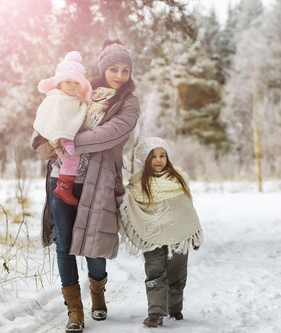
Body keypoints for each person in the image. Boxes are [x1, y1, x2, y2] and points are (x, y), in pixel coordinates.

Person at [32, 39, 140, 333]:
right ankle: (75, 311)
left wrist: (66, 141)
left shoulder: (128, 103)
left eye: (125, 70)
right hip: (60, 178)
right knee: (64, 246)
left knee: (94, 246)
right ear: (103, 69)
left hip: (98, 180)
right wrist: (43, 141)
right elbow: (50, 115)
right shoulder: (81, 90)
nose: (119, 75)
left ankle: (97, 294)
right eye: (113, 69)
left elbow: (110, 134)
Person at [118, 137, 203, 328]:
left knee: (177, 273)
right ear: (144, 159)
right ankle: (155, 311)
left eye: (162, 155)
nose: (158, 160)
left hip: (178, 234)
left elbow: (186, 207)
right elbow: (131, 207)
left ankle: (175, 308)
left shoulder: (178, 178)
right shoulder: (138, 183)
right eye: (153, 156)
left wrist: (194, 231)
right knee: (155, 272)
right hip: (152, 235)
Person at [33, 51, 92, 205]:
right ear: (59, 84)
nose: (73, 85)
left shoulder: (76, 101)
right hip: (54, 141)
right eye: (68, 82)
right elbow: (56, 119)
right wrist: (63, 138)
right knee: (72, 159)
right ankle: (63, 188)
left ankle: (64, 186)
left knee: (72, 159)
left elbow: (73, 119)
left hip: (64, 143)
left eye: (77, 83)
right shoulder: (56, 99)